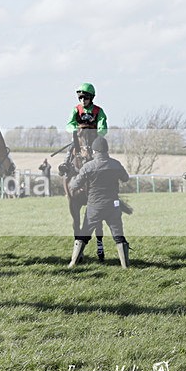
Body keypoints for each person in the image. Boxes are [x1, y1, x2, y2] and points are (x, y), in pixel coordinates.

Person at [68, 137, 130, 268]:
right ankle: (125, 266)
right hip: (114, 205)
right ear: (106, 150)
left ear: (94, 151)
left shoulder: (88, 167)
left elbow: (74, 185)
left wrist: (74, 176)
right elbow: (125, 178)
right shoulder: (116, 164)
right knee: (118, 235)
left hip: (94, 206)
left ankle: (73, 263)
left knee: (84, 234)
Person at [58, 82, 108, 176]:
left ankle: (106, 167)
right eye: (81, 98)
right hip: (80, 136)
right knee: (72, 145)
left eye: (85, 98)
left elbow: (103, 128)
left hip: (94, 137)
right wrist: (74, 129)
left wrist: (97, 133)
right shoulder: (76, 109)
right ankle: (66, 163)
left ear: (91, 98)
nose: (83, 100)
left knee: (102, 149)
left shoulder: (98, 111)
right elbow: (69, 124)